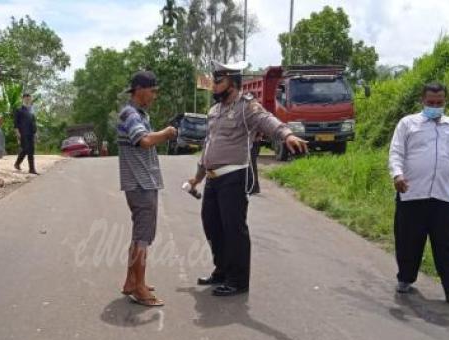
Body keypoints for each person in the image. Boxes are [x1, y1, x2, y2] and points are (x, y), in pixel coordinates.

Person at [188, 61, 308, 296]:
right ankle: (221, 270)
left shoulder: (247, 106)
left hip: (234, 177)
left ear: (232, 83)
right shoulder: (215, 111)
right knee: (212, 226)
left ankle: (238, 280)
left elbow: (267, 120)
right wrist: (197, 178)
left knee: (234, 230)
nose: (214, 86)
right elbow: (208, 147)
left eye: (219, 81)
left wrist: (287, 135)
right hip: (213, 179)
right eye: (214, 80)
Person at [389, 82, 449, 303]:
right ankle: (405, 278)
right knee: (408, 240)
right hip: (411, 193)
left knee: (447, 244)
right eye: (430, 102)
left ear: (445, 101)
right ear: (422, 101)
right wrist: (397, 175)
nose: (435, 106)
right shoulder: (408, 123)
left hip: (444, 196)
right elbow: (396, 152)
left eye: (439, 102)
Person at [118, 70, 178, 306]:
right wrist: (167, 133)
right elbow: (143, 141)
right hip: (141, 184)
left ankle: (131, 282)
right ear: (140, 90)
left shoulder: (138, 114)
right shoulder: (131, 114)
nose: (154, 95)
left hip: (142, 183)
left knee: (138, 236)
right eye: (152, 91)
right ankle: (139, 288)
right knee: (143, 237)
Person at [14, 93, 37, 174]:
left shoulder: (31, 111)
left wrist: (35, 133)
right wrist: (17, 133)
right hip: (23, 133)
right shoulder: (19, 110)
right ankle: (17, 163)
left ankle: (32, 169)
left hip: (31, 133)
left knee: (31, 151)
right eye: (26, 98)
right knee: (26, 149)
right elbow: (15, 123)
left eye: (29, 98)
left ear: (30, 99)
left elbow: (34, 123)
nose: (27, 99)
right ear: (23, 99)